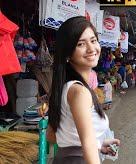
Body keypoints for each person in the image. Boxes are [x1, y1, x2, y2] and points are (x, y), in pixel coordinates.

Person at [47, 16, 120, 163]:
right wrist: (92, 146)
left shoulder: (67, 87)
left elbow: (52, 135)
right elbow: (88, 144)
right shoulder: (79, 92)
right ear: (68, 53)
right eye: (81, 44)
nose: (91, 48)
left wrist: (98, 145)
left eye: (93, 41)